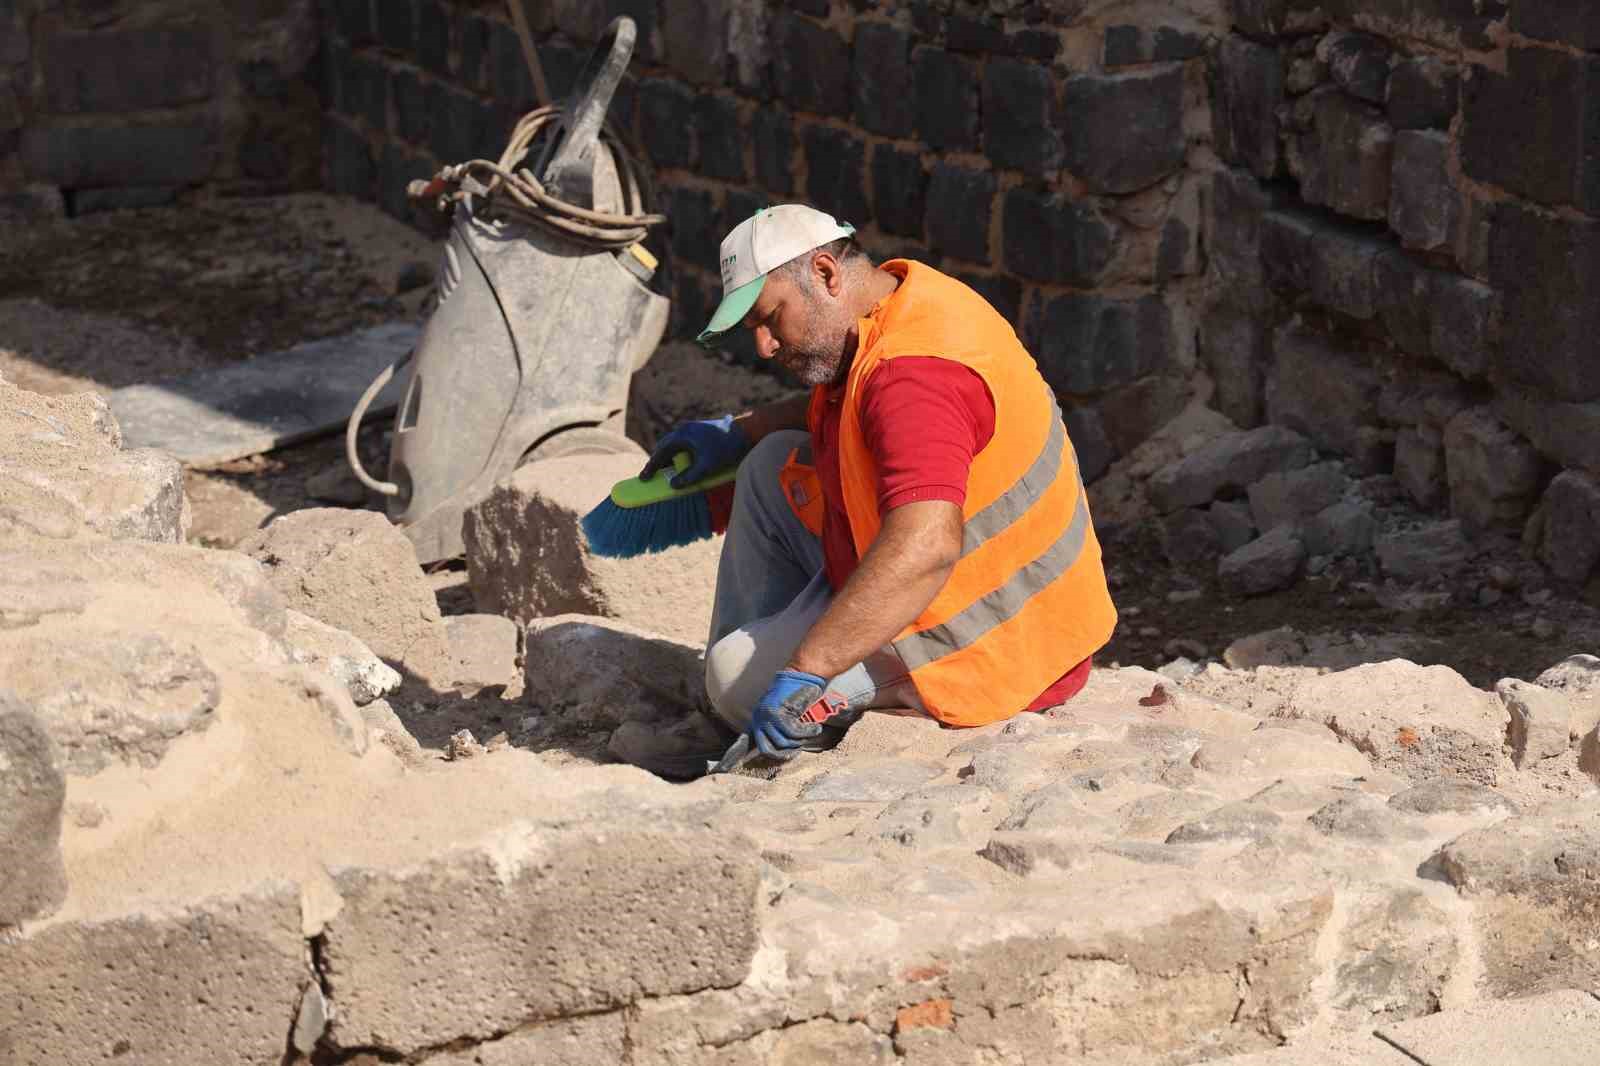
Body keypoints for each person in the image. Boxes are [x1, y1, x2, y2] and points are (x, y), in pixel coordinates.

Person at [607, 203, 1118, 779]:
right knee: (769, 462)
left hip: (985, 635)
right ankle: (740, 717)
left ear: (826, 274)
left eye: (769, 318)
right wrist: (741, 431)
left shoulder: (914, 378)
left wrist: (808, 667)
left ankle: (762, 711)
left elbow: (926, 547)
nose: (764, 348)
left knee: (733, 678)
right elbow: (860, 401)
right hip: (959, 583)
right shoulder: (905, 299)